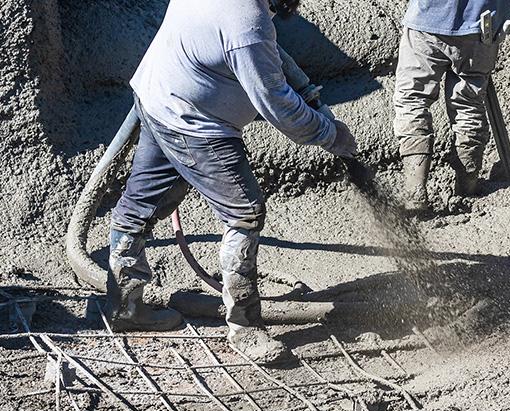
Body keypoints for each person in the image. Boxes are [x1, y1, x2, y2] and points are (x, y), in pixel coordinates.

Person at [106, 0, 357, 363]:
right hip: (196, 124)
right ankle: (246, 328)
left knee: (141, 203)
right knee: (245, 211)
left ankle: (123, 308)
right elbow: (278, 106)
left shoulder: (246, 18)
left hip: (158, 94)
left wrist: (299, 84)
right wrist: (331, 134)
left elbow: (262, 53)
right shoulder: (246, 23)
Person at [393, 0, 510, 211]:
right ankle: (466, 188)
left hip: (428, 20)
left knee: (412, 99)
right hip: (481, 27)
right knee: (468, 105)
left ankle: (414, 193)